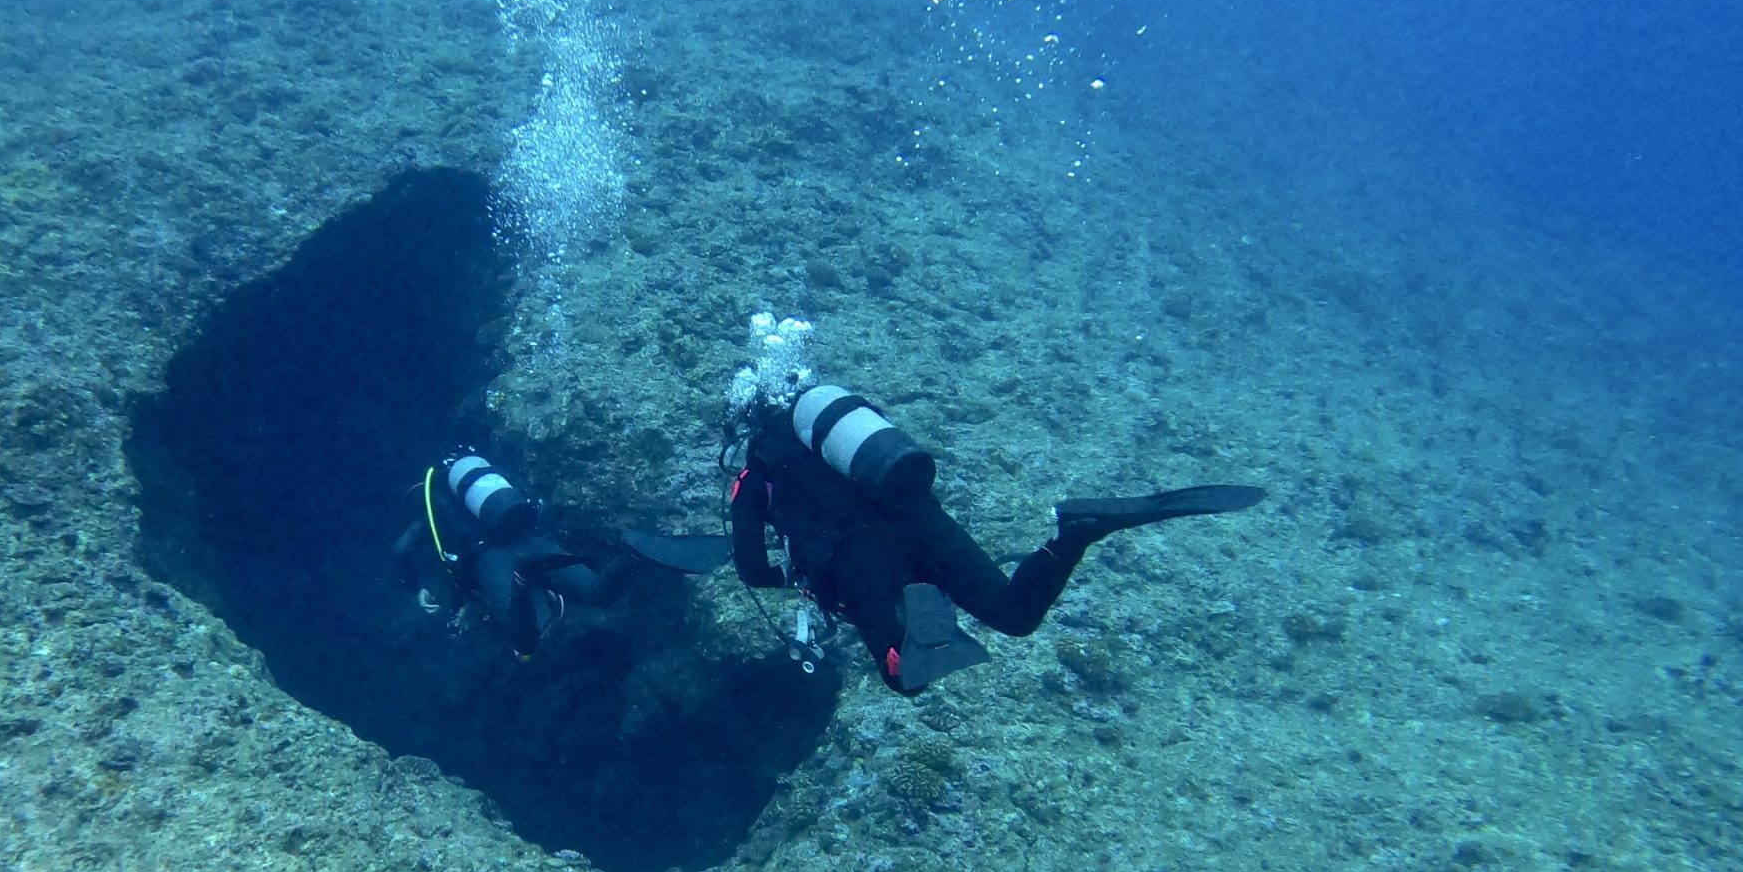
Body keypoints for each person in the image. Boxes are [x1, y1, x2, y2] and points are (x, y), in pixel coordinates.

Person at [728, 380, 1263, 693]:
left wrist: (789, 574)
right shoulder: (842, 430)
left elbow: (751, 569)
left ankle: (914, 618)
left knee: (904, 678)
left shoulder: (756, 472)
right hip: (920, 519)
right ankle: (1074, 534)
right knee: (1014, 613)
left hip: (858, 560)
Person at [397, 448, 727, 661]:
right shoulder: (485, 482)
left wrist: (414, 587)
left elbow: (401, 550)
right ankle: (633, 553)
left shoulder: (432, 509)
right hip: (530, 540)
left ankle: (522, 581)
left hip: (492, 561)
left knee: (525, 643)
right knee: (598, 594)